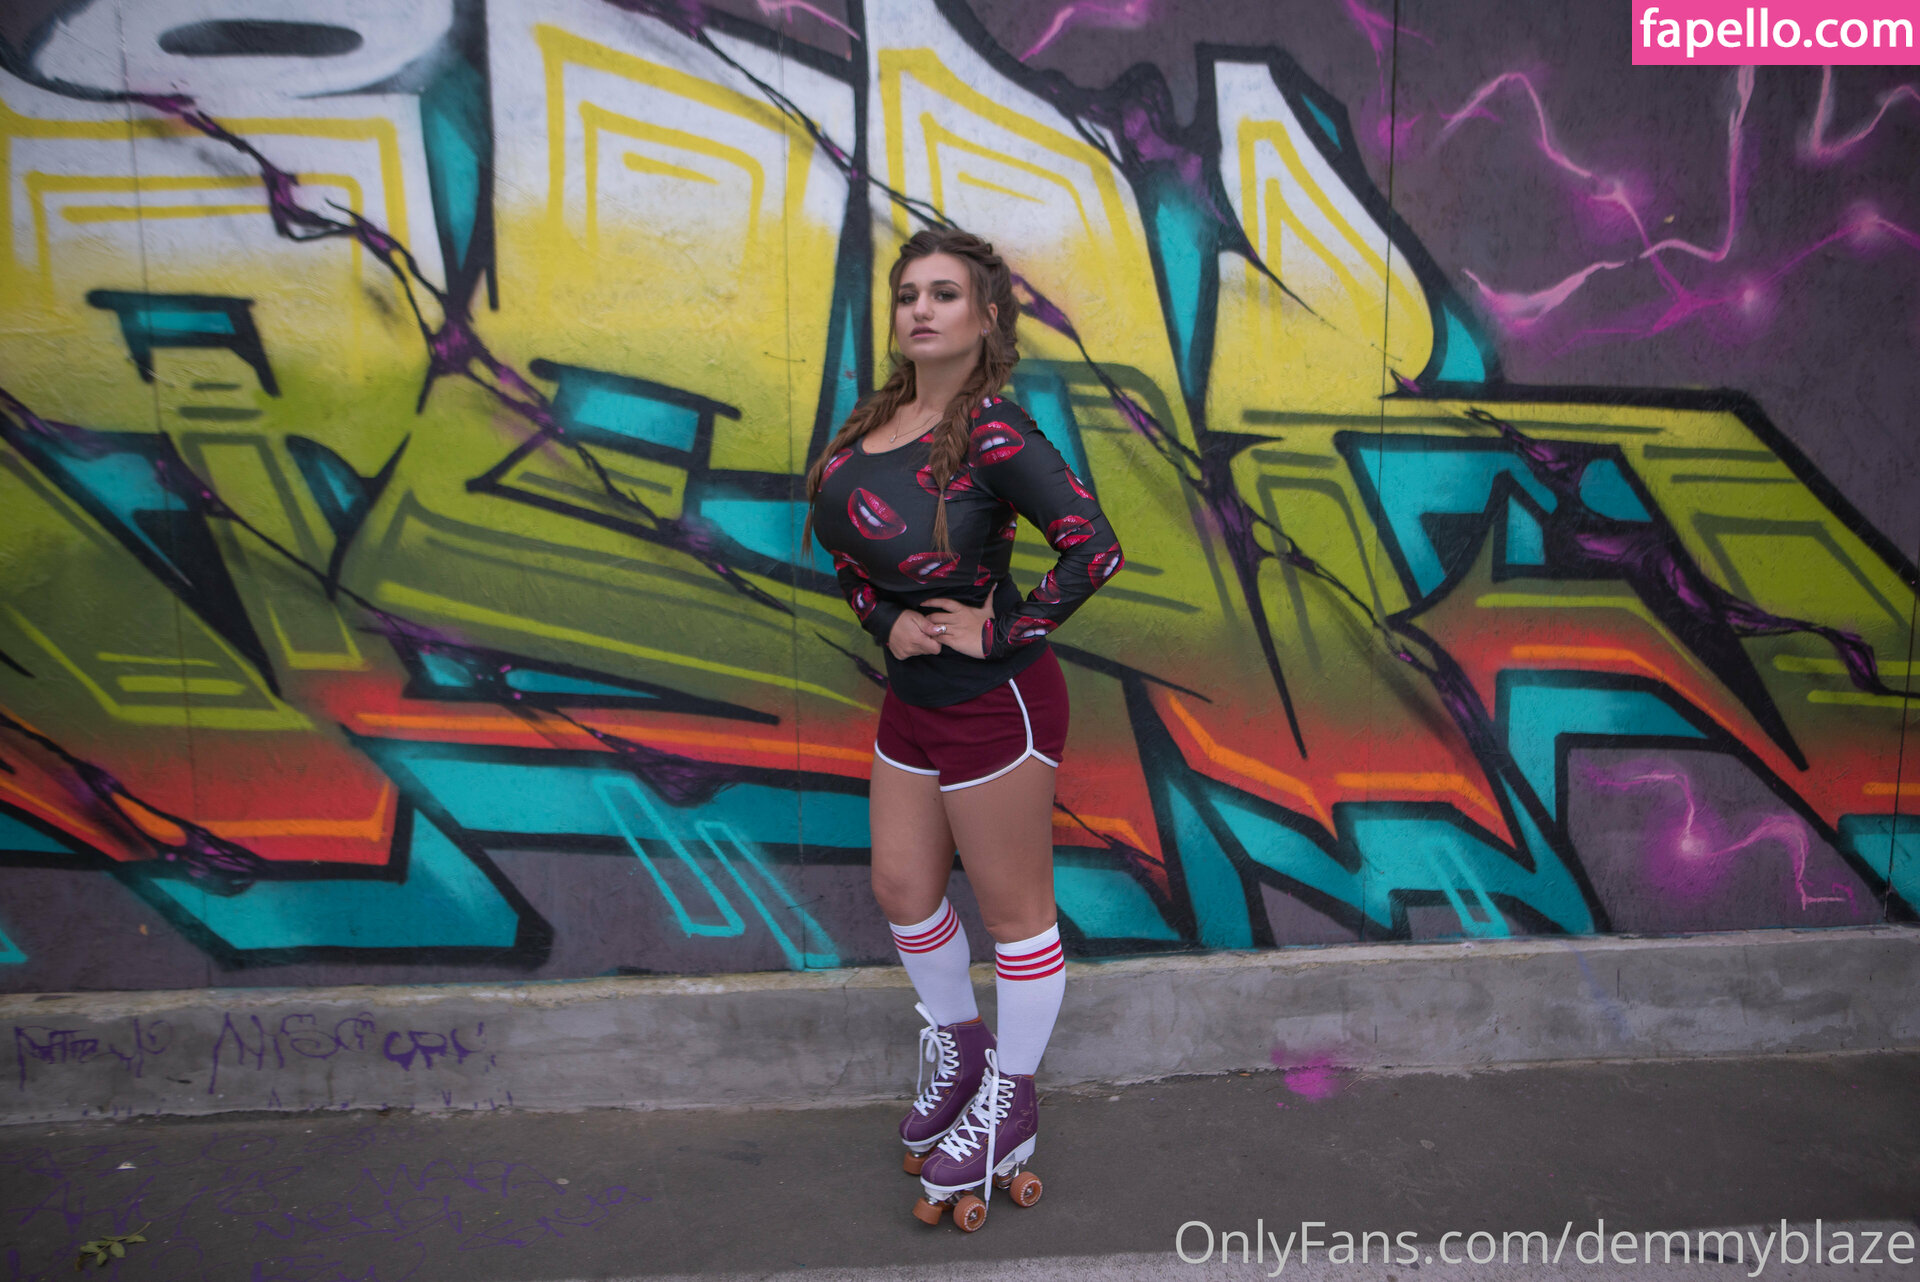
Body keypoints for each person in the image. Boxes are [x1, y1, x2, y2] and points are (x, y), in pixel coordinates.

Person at [805, 227, 1123, 1230]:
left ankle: (1010, 1099)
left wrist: (1005, 629)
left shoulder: (995, 433)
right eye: (908, 294)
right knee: (902, 886)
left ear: (987, 318)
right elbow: (846, 552)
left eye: (944, 294)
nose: (921, 310)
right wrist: (882, 620)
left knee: (1016, 913)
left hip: (997, 704)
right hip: (914, 699)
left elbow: (1095, 549)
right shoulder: (876, 421)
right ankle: (965, 1050)